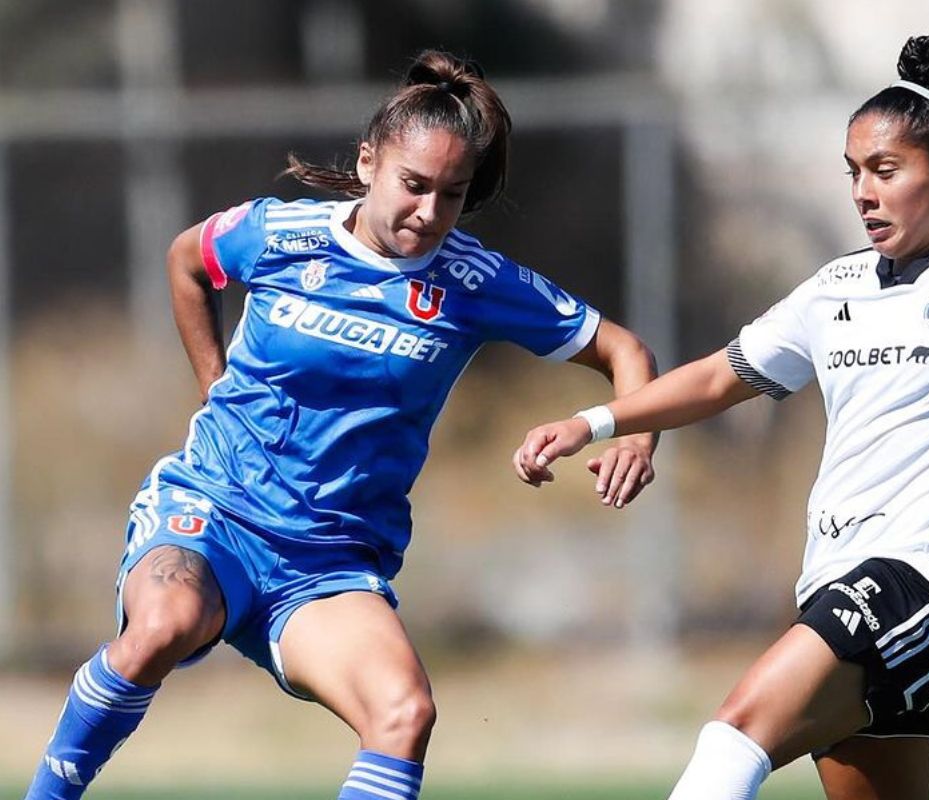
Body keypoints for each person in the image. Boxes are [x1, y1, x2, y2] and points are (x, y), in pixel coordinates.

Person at [514, 33, 929, 800]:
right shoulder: (834, 290)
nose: (863, 193)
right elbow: (714, 378)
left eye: (885, 170)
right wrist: (595, 422)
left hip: (923, 586)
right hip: (834, 585)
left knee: (735, 733)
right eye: (853, 172)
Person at [25, 50, 657, 800]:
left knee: (404, 713)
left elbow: (624, 350)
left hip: (328, 562)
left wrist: (630, 433)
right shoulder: (280, 233)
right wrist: (212, 384)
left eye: (452, 194)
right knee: (163, 625)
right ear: (368, 163)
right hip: (215, 512)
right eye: (414, 185)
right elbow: (187, 261)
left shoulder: (473, 282)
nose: (430, 212)